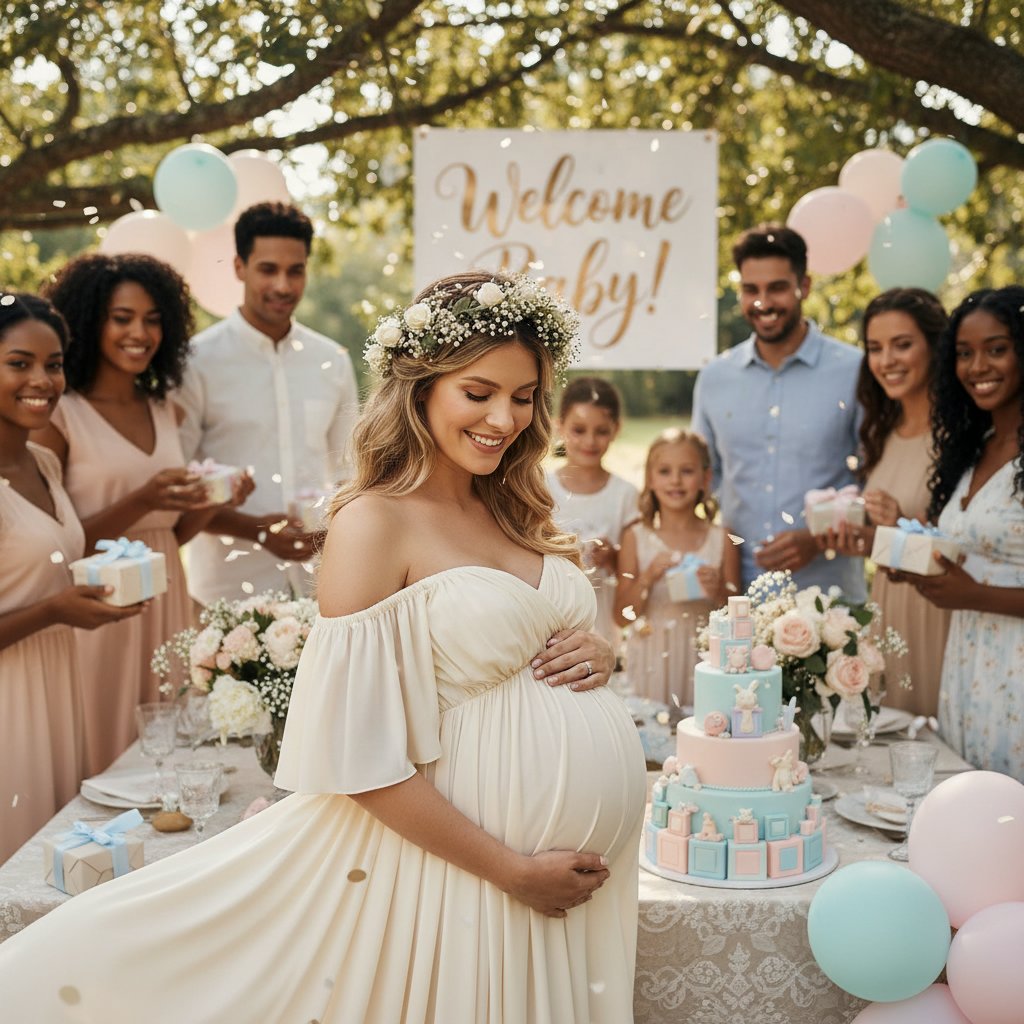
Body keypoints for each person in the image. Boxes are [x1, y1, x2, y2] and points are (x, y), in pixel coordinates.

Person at [0, 270, 647, 1022]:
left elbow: (541, 638)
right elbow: (356, 754)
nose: (504, 417)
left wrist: (601, 652)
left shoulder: (517, 507)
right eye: (479, 392)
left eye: (524, 395)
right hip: (469, 875)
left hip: (565, 883)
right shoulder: (375, 523)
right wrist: (511, 870)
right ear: (421, 388)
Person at [36, 253, 227, 774]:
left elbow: (170, 535)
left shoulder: (168, 409)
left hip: (163, 603)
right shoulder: (59, 414)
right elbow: (60, 544)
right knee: (100, 758)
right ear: (89, 320)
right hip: (98, 613)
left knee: (162, 754)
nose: (139, 332)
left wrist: (214, 502)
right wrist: (143, 498)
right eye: (122, 318)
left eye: (152, 319)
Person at [0, 294, 142, 861]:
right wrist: (56, 610)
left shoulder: (46, 463)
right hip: (10, 704)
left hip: (60, 687)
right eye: (19, 363)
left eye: (54, 364)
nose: (42, 379)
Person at [177, 201, 359, 605]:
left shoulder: (331, 360)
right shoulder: (196, 361)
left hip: (323, 589)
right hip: (225, 593)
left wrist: (333, 527)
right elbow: (182, 482)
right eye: (268, 269)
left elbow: (352, 471)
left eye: (295, 271)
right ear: (239, 267)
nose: (283, 286)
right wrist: (254, 529)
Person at [692, 224, 865, 600]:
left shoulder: (856, 371)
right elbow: (703, 481)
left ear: (805, 286)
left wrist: (819, 540)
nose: (763, 303)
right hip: (738, 598)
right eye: (751, 289)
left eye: (777, 288)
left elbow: (876, 478)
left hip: (831, 597)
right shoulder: (714, 378)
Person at [902, 286, 1024, 782]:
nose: (978, 367)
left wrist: (973, 594)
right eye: (965, 354)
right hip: (970, 665)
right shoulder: (974, 449)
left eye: (997, 349)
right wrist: (919, 561)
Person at [815, 288, 950, 716]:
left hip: (941, 613)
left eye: (902, 344)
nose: (886, 360)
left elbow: (964, 549)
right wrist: (867, 540)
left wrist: (902, 521)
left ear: (935, 346)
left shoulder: (958, 439)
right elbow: (893, 543)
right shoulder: (883, 433)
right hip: (891, 608)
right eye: (875, 348)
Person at [617, 428, 740, 706]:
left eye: (686, 471)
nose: (675, 480)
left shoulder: (722, 539)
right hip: (651, 660)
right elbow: (621, 617)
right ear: (649, 478)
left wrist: (718, 590)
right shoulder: (635, 537)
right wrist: (647, 578)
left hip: (704, 662)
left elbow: (738, 618)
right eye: (664, 471)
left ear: (705, 478)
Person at [546, 376, 639, 655]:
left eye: (600, 431)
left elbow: (632, 567)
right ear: (559, 426)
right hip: (553, 616)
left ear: (616, 430)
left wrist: (613, 556)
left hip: (602, 615)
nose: (589, 440)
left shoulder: (625, 494)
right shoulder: (541, 487)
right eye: (579, 429)